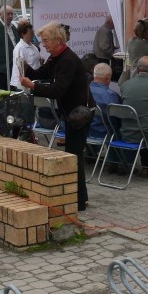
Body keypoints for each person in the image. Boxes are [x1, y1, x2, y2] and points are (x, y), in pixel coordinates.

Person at [20, 21, 94, 212]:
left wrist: (32, 86)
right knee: (71, 153)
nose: (43, 44)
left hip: (80, 114)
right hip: (70, 112)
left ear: (57, 40)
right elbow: (39, 73)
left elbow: (58, 89)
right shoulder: (54, 58)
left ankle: (79, 201)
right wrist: (24, 66)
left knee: (74, 155)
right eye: (42, 41)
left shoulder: (67, 59)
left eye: (46, 41)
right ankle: (77, 198)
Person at [119, 18, 148, 85]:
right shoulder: (144, 44)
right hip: (142, 76)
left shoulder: (131, 41)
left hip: (134, 74)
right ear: (145, 32)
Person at [88, 62, 121, 140]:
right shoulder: (111, 96)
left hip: (85, 131)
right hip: (105, 133)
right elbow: (118, 118)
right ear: (108, 77)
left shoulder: (82, 91)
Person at [11, 19, 41, 91]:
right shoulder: (19, 48)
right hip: (22, 84)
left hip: (33, 81)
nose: (33, 34)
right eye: (30, 33)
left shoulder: (33, 47)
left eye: (33, 32)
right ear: (23, 34)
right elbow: (20, 67)